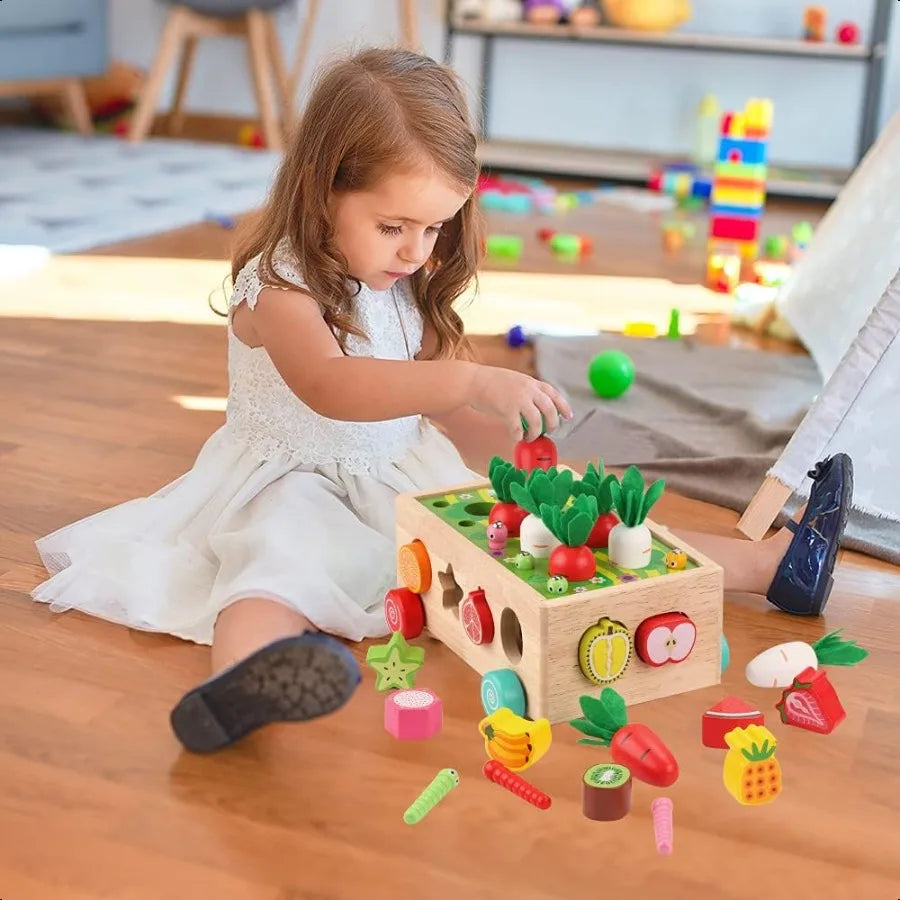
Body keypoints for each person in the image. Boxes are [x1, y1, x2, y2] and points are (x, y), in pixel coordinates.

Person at [29, 47, 853, 755]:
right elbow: (333, 385)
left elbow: (440, 400)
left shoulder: (400, 281)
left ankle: (772, 566)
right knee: (272, 571)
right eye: (394, 227)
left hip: (399, 477)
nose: (416, 252)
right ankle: (242, 686)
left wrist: (517, 459)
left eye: (434, 229)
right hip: (291, 483)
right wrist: (466, 380)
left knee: (559, 535)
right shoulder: (280, 285)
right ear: (321, 189)